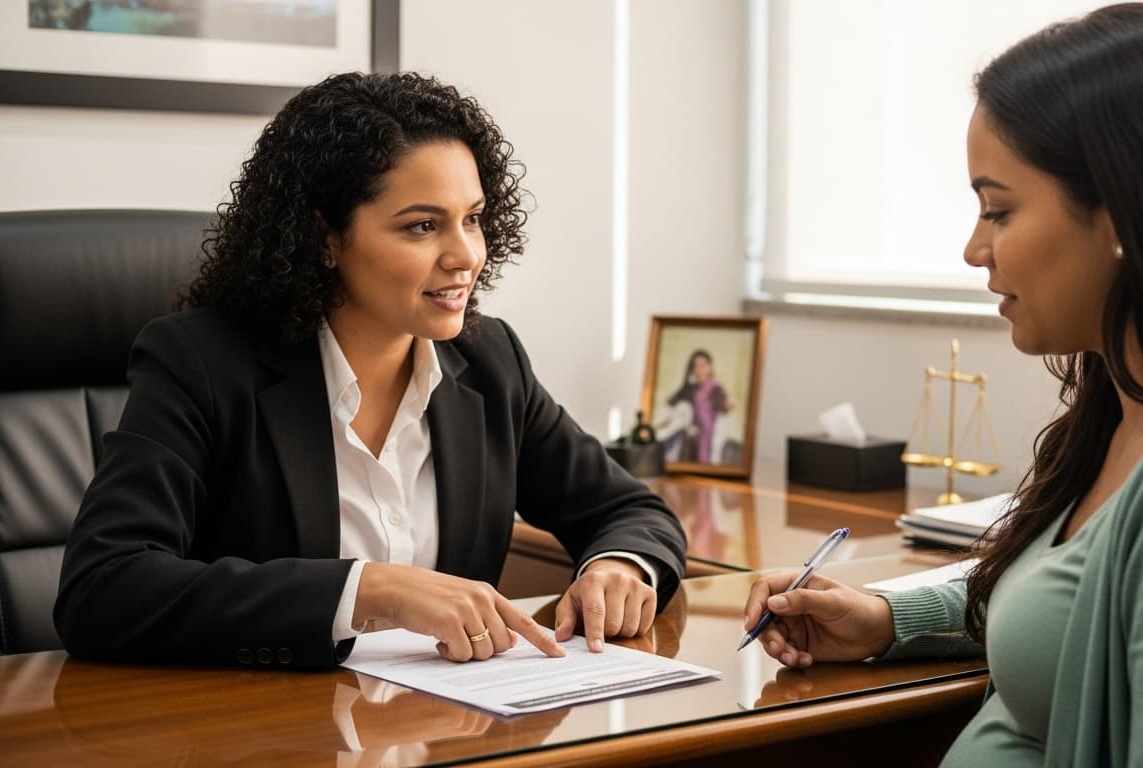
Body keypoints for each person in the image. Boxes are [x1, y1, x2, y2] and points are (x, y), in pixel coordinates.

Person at [742, 4, 1143, 766]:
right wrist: (887, 616)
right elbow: (1080, 596)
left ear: (1124, 211)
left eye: (999, 209)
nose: (973, 249)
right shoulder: (1136, 412)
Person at [54, 71, 687, 670]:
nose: (465, 254)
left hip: (450, 729)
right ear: (324, 238)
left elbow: (630, 510)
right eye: (421, 226)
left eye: (472, 218)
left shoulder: (490, 362)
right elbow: (102, 588)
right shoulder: (203, 363)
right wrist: (366, 590)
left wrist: (621, 566)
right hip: (266, 736)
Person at [659, 349, 736, 463]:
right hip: (689, 444)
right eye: (695, 366)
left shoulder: (716, 390)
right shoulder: (690, 389)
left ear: (710, 367)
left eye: (703, 366)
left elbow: (728, 406)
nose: (699, 370)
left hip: (709, 444)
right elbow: (671, 405)